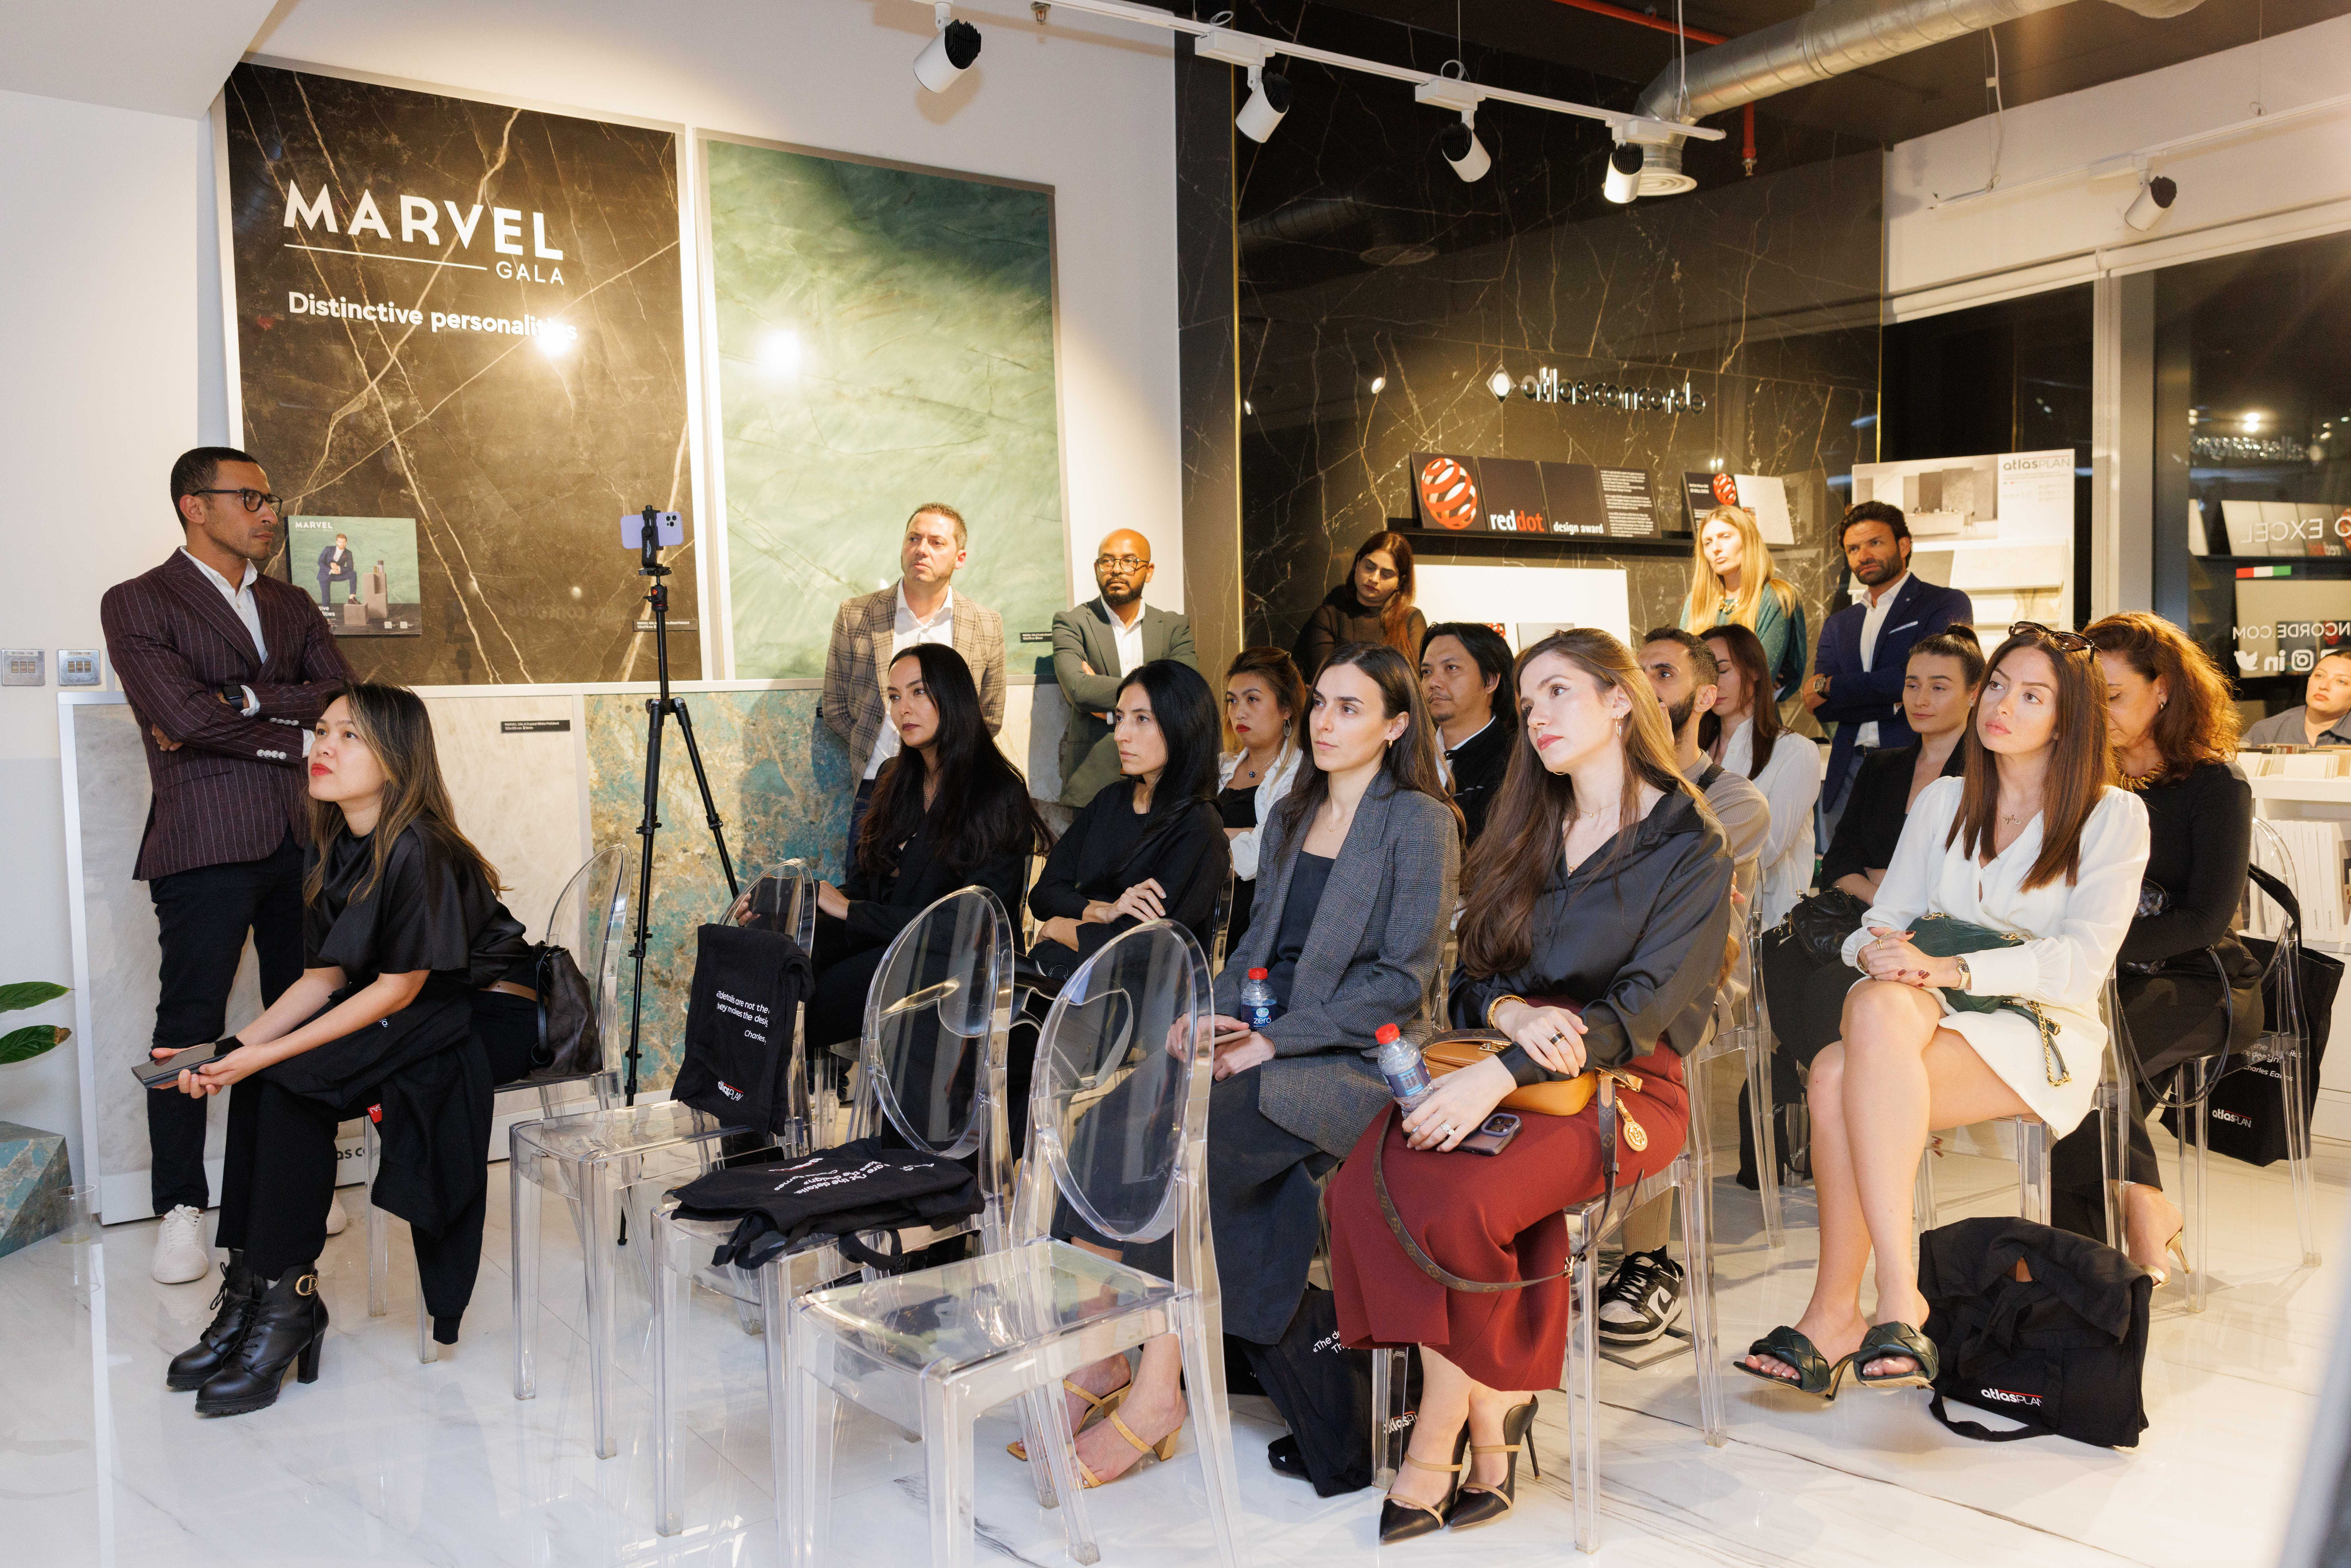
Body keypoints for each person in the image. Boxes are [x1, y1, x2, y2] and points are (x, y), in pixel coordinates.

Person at [1322, 630, 1733, 1541]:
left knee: (1463, 1202)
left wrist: (1498, 1076)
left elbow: (1638, 1013)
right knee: (1366, 1183)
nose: (1537, 716)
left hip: (1626, 1084)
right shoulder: (1530, 820)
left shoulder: (1690, 843)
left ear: (1620, 700)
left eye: (1558, 693)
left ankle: (1440, 1437)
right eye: (1528, 702)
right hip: (1506, 1063)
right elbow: (1471, 978)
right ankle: (1494, 1415)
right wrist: (1508, 1017)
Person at [1046, 642, 1461, 1490]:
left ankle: (1158, 1390)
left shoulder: (1419, 821)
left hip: (1360, 1057)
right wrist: (1213, 1012)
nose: (1327, 722)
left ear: (1395, 726)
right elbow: (1254, 951)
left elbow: (1400, 981)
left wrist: (1275, 1040)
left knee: (1193, 1143)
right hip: (1267, 1035)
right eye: (1323, 704)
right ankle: (1103, 1351)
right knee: (1114, 1121)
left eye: (1351, 708)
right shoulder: (1293, 812)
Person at [1740, 625, 2148, 1400]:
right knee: (1869, 1016)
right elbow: (1879, 921)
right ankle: (1887, 1301)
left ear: (2067, 719)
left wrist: (1951, 967)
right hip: (1921, 1004)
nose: (2002, 705)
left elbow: (2079, 964)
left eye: (2032, 696)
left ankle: (1850, 1308)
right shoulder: (1942, 802)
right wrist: (1881, 953)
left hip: (2036, 1024)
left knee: (1833, 1074)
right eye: (1997, 685)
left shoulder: (2111, 816)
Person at [154, 684, 537, 1415]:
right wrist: (228, 1049)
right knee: (262, 1078)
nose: (323, 747)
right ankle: (253, 1291)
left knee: (290, 1082)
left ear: (396, 756)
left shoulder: (421, 845)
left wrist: (265, 1055)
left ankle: (290, 1304)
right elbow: (324, 978)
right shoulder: (332, 844)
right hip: (414, 995)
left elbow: (396, 989)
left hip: (484, 1009)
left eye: (348, 736)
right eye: (322, 731)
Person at [99, 446, 354, 1285]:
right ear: (194, 505)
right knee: (189, 1024)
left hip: (304, 839)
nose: (268, 512)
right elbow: (180, 718)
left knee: (304, 1013)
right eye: (250, 498)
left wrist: (240, 701)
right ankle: (180, 1206)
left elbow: (340, 695)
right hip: (204, 842)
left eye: (270, 498)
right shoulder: (138, 600)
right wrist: (295, 735)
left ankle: (299, 1179)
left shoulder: (291, 602)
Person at [2049, 613, 2253, 1278]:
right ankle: (2139, 1207)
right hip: (2110, 980)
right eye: (2088, 698)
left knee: (2081, 1059)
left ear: (2161, 689)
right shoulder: (2086, 782)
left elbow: (2205, 919)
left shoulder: (2215, 785)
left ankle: (2077, 1260)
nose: (2098, 712)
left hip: (2208, 981)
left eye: (2112, 695)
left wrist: (2093, 945)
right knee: (2076, 1060)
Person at [1746, 631, 1983, 1184]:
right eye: (1912, 685)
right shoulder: (1883, 766)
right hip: (1868, 916)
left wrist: (1890, 889)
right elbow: (1839, 862)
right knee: (1779, 955)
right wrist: (1888, 895)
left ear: (1974, 694)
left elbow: (1962, 880)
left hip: (1936, 932)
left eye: (1939, 687)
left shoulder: (1986, 775)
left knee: (1831, 988)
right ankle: (1852, 1115)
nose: (1921, 699)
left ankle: (1859, 1124)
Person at [1588, 628, 1767, 1346]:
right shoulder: (1595, 785)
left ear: (1706, 695)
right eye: (1635, 673)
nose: (1644, 687)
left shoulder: (1734, 799)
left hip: (1699, 984)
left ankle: (1648, 1260)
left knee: (1641, 1030)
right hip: (1603, 970)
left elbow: (1672, 918)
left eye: (1661, 672)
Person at [805, 644, 1051, 1049]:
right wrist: (805, 902)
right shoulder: (894, 777)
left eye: (918, 692)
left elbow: (972, 924)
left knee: (807, 995)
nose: (903, 709)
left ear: (952, 696)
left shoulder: (997, 791)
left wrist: (852, 911)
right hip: (888, 944)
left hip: (951, 964)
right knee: (780, 953)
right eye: (894, 696)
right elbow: (865, 884)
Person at [820, 503, 1006, 849]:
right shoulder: (855, 615)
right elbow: (836, 707)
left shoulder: (985, 623)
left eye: (936, 542)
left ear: (960, 558)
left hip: (955, 789)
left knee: (948, 882)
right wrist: (879, 746)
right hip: (878, 787)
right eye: (914, 538)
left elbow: (989, 714)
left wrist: (944, 757)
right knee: (869, 879)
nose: (921, 549)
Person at [1027, 659, 1231, 975]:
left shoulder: (1198, 824)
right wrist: (1103, 911)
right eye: (1120, 718)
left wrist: (1058, 927)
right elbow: (1044, 895)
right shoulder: (1110, 800)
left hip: (1129, 990)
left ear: (1184, 726)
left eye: (1142, 719)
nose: (1120, 735)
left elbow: (1137, 946)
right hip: (1059, 974)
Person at [1803, 501, 1974, 824]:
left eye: (1875, 542)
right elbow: (1821, 706)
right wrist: (1890, 703)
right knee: (1843, 856)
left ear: (1904, 545)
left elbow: (1914, 679)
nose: (1864, 555)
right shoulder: (1838, 624)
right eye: (1853, 549)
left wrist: (1832, 686)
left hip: (1916, 761)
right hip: (1847, 768)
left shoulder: (1944, 603)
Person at [1051, 529, 1198, 808]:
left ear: (1148, 571)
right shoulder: (1072, 623)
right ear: (1097, 568)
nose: (1117, 570)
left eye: (1129, 561)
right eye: (1107, 561)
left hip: (1162, 778)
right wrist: (1153, 695)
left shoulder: (1173, 627)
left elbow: (1186, 690)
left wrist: (1110, 710)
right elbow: (1079, 689)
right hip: (1093, 781)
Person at [1704, 623, 1822, 926]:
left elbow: (1766, 850)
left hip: (1765, 923)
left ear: (1755, 671)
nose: (1714, 684)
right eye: (1705, 674)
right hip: (1698, 914)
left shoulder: (1796, 751)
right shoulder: (1693, 752)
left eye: (1723, 670)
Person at [1217, 647, 1307, 951]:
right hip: (1206, 917)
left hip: (1261, 931)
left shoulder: (1302, 773)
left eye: (1252, 699)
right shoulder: (1219, 767)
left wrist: (1204, 838)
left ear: (1286, 708)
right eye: (1232, 700)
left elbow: (1263, 853)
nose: (1239, 712)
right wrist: (1242, 834)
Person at [1679, 505, 1808, 701]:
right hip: (1701, 715)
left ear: (1748, 540)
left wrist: (1705, 685)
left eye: (1725, 536)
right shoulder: (1696, 602)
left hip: (1753, 715)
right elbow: (1683, 673)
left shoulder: (1776, 596)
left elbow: (1762, 676)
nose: (1716, 548)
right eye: (1708, 542)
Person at [1420, 622, 1515, 843]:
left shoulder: (1515, 762)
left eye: (1451, 668)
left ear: (1490, 680)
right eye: (1426, 672)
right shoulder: (1406, 755)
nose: (1433, 682)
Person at [1293, 530, 1426, 678]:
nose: (1374, 579)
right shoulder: (1329, 617)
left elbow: (1419, 679)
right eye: (1369, 567)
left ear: (1400, 582)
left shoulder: (1410, 619)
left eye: (1386, 574)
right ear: (1357, 563)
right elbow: (1325, 678)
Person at [2241, 647, 2351, 746]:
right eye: (2319, 675)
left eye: (2341, 681)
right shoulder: (2266, 732)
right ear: (2309, 680)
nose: (2323, 686)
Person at [315, 532, 355, 609]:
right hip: (325, 575)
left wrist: (339, 568)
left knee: (353, 573)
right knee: (326, 597)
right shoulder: (328, 549)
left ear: (346, 542)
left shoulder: (348, 553)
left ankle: (352, 598)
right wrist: (330, 570)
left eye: (343, 542)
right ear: (337, 542)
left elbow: (350, 568)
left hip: (338, 574)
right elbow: (320, 562)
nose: (342, 544)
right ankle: (327, 615)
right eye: (340, 542)